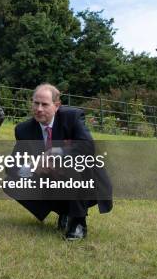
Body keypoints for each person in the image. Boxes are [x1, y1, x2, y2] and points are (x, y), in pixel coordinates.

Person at [8, 83, 112, 240]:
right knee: (10, 182)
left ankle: (78, 222)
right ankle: (64, 211)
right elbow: (12, 167)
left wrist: (57, 155)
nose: (39, 109)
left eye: (44, 104)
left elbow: (87, 146)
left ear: (57, 105)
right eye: (36, 103)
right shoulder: (23, 130)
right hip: (50, 181)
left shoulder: (73, 117)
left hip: (84, 179)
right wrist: (33, 167)